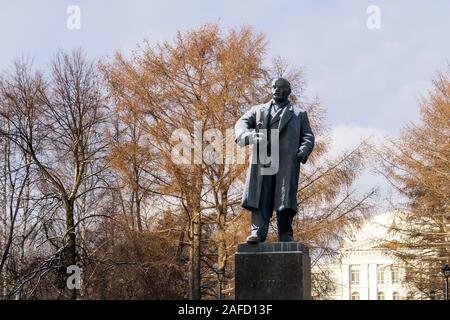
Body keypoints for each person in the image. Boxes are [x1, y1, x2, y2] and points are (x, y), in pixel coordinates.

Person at [235, 77, 315, 244]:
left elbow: (308, 136)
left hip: (286, 162)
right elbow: (240, 124)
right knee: (260, 195)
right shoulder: (258, 110)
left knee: (285, 197)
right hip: (263, 160)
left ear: (288, 91)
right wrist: (249, 136)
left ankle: (285, 234)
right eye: (273, 87)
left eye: (280, 87)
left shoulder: (299, 114)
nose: (276, 90)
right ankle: (258, 232)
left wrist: (303, 150)